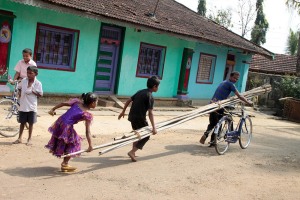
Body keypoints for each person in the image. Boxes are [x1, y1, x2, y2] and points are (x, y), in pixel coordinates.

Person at [45, 92, 98, 172]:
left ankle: (64, 162)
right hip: (66, 126)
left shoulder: (77, 102)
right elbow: (87, 132)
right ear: (92, 103)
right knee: (75, 142)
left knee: (67, 141)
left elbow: (63, 103)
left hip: (60, 122)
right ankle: (65, 163)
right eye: (97, 102)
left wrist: (53, 109)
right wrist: (90, 145)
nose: (97, 103)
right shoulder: (87, 114)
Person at [199, 71, 253, 147]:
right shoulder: (231, 84)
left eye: (237, 79)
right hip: (219, 106)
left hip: (212, 104)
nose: (235, 80)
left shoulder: (223, 82)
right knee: (219, 123)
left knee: (212, 123)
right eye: (234, 78)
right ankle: (213, 141)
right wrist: (247, 102)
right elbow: (239, 96)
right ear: (230, 76)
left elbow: (221, 94)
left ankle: (206, 134)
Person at [118, 76, 160, 162]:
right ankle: (132, 152)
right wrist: (154, 128)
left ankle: (133, 152)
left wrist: (123, 111)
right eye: (158, 86)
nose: (158, 88)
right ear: (155, 86)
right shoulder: (150, 96)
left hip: (132, 117)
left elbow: (128, 100)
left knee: (136, 134)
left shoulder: (140, 92)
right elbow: (150, 113)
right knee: (146, 136)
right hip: (140, 118)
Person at [12, 66, 43, 145]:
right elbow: (19, 87)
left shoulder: (38, 83)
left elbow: (40, 94)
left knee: (31, 123)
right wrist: (19, 93)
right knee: (22, 123)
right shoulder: (24, 80)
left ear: (35, 74)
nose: (28, 75)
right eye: (27, 73)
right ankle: (19, 138)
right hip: (23, 105)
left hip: (32, 106)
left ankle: (29, 139)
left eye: (31, 73)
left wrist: (33, 91)